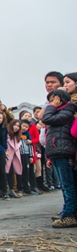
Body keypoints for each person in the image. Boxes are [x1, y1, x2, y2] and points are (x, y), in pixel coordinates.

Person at [42, 89, 77, 228]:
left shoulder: (67, 111)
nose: (51, 103)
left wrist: (51, 107)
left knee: (67, 185)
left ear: (60, 99)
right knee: (64, 185)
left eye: (53, 100)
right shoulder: (59, 112)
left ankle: (69, 214)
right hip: (56, 151)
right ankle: (66, 211)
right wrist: (49, 156)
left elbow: (46, 118)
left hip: (63, 151)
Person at [5, 120, 23, 199]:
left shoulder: (17, 137)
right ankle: (8, 190)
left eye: (18, 126)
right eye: (15, 125)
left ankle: (14, 189)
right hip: (7, 155)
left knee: (14, 171)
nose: (16, 127)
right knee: (7, 172)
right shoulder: (7, 134)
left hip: (14, 156)